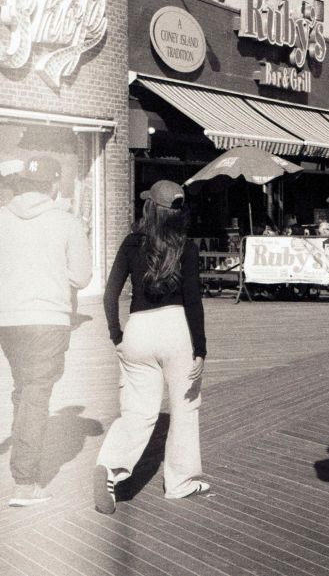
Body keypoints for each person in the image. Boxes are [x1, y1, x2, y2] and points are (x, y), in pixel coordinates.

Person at [96, 180, 209, 515]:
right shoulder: (187, 247)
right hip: (176, 329)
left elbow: (110, 294)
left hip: (138, 330)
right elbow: (193, 301)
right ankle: (180, 482)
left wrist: (116, 334)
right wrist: (200, 349)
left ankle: (110, 467)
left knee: (138, 410)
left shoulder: (132, 243)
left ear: (149, 208)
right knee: (185, 408)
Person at [0, 156, 92, 507]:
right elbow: (81, 277)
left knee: (23, 391)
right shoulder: (66, 222)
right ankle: (24, 484)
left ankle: (23, 462)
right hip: (48, 319)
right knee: (36, 395)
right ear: (53, 186)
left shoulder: (2, 218)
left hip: (8, 319)